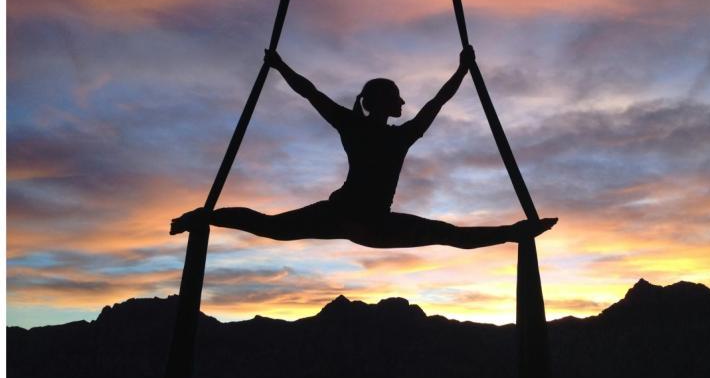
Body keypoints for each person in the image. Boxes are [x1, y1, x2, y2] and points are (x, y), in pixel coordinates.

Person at [170, 46, 557, 249]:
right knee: (448, 234)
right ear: (383, 103)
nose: (404, 104)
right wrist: (462, 71)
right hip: (364, 220)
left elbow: (311, 93)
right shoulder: (396, 134)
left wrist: (279, 66)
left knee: (271, 227)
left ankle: (204, 217)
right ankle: (516, 232)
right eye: (398, 98)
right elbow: (437, 101)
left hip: (352, 217)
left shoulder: (358, 126)